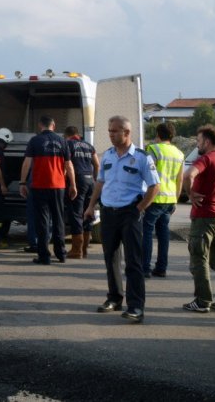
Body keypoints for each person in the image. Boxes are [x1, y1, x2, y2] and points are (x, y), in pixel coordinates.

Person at [84, 115, 159, 323]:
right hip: (108, 212)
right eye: (109, 130)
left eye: (115, 131)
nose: (111, 134)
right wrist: (91, 206)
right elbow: (100, 182)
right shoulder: (107, 156)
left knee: (133, 261)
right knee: (111, 258)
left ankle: (136, 306)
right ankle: (114, 298)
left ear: (127, 133)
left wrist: (140, 208)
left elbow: (155, 186)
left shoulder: (142, 158)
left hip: (130, 213)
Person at [181, 124, 215, 313]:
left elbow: (188, 175)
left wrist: (191, 193)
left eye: (198, 141)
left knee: (199, 258)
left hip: (205, 215)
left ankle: (203, 301)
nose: (197, 144)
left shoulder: (206, 159)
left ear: (207, 141)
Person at [19, 116, 77, 265]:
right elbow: (69, 165)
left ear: (40, 125)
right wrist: (73, 185)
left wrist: (23, 182)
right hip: (58, 186)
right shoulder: (63, 141)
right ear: (54, 125)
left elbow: (27, 163)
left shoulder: (35, 141)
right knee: (58, 219)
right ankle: (61, 254)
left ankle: (44, 256)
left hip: (39, 186)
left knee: (42, 221)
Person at [142, 122, 184, 278]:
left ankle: (144, 267)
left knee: (146, 233)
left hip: (154, 198)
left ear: (157, 135)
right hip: (170, 198)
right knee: (163, 234)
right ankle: (161, 267)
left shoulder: (153, 149)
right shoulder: (179, 153)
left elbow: (147, 173)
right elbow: (180, 180)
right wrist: (175, 200)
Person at [63, 126, 99, 259]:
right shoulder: (89, 145)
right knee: (87, 213)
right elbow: (97, 164)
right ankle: (84, 250)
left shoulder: (68, 144)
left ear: (67, 135)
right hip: (90, 181)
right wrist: (95, 178)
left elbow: (66, 165)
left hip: (77, 181)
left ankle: (76, 250)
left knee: (76, 214)